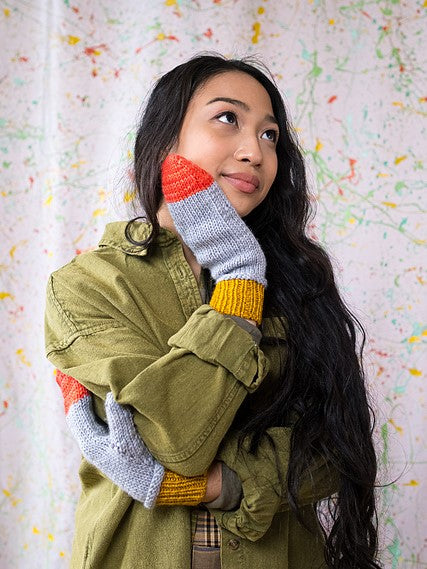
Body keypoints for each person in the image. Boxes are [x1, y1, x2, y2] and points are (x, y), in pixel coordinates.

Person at [45, 54, 381, 569]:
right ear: (165, 139)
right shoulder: (86, 286)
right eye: (227, 118)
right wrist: (241, 282)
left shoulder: (301, 282)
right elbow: (173, 442)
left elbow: (336, 449)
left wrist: (211, 485)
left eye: (270, 135)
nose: (254, 152)